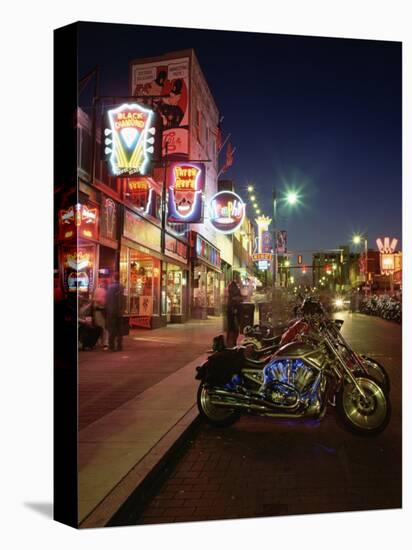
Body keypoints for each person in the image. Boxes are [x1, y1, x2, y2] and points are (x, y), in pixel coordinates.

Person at [106, 272, 125, 352]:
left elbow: (109, 299)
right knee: (119, 329)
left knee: (112, 329)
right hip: (119, 311)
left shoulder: (110, 287)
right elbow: (123, 299)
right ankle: (119, 345)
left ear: (113, 277)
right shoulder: (122, 286)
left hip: (112, 311)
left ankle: (111, 346)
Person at [225, 271, 243, 348]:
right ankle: (231, 343)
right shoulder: (233, 286)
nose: (240, 279)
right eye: (239, 277)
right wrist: (239, 299)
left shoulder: (235, 286)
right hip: (233, 310)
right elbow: (234, 297)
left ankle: (231, 343)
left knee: (233, 328)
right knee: (233, 328)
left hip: (234, 310)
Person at [93, 280, 108, 350]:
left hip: (96, 311)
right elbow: (102, 301)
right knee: (104, 328)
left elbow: (95, 300)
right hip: (101, 311)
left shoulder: (96, 290)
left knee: (98, 327)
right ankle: (105, 343)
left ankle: (97, 342)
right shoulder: (103, 291)